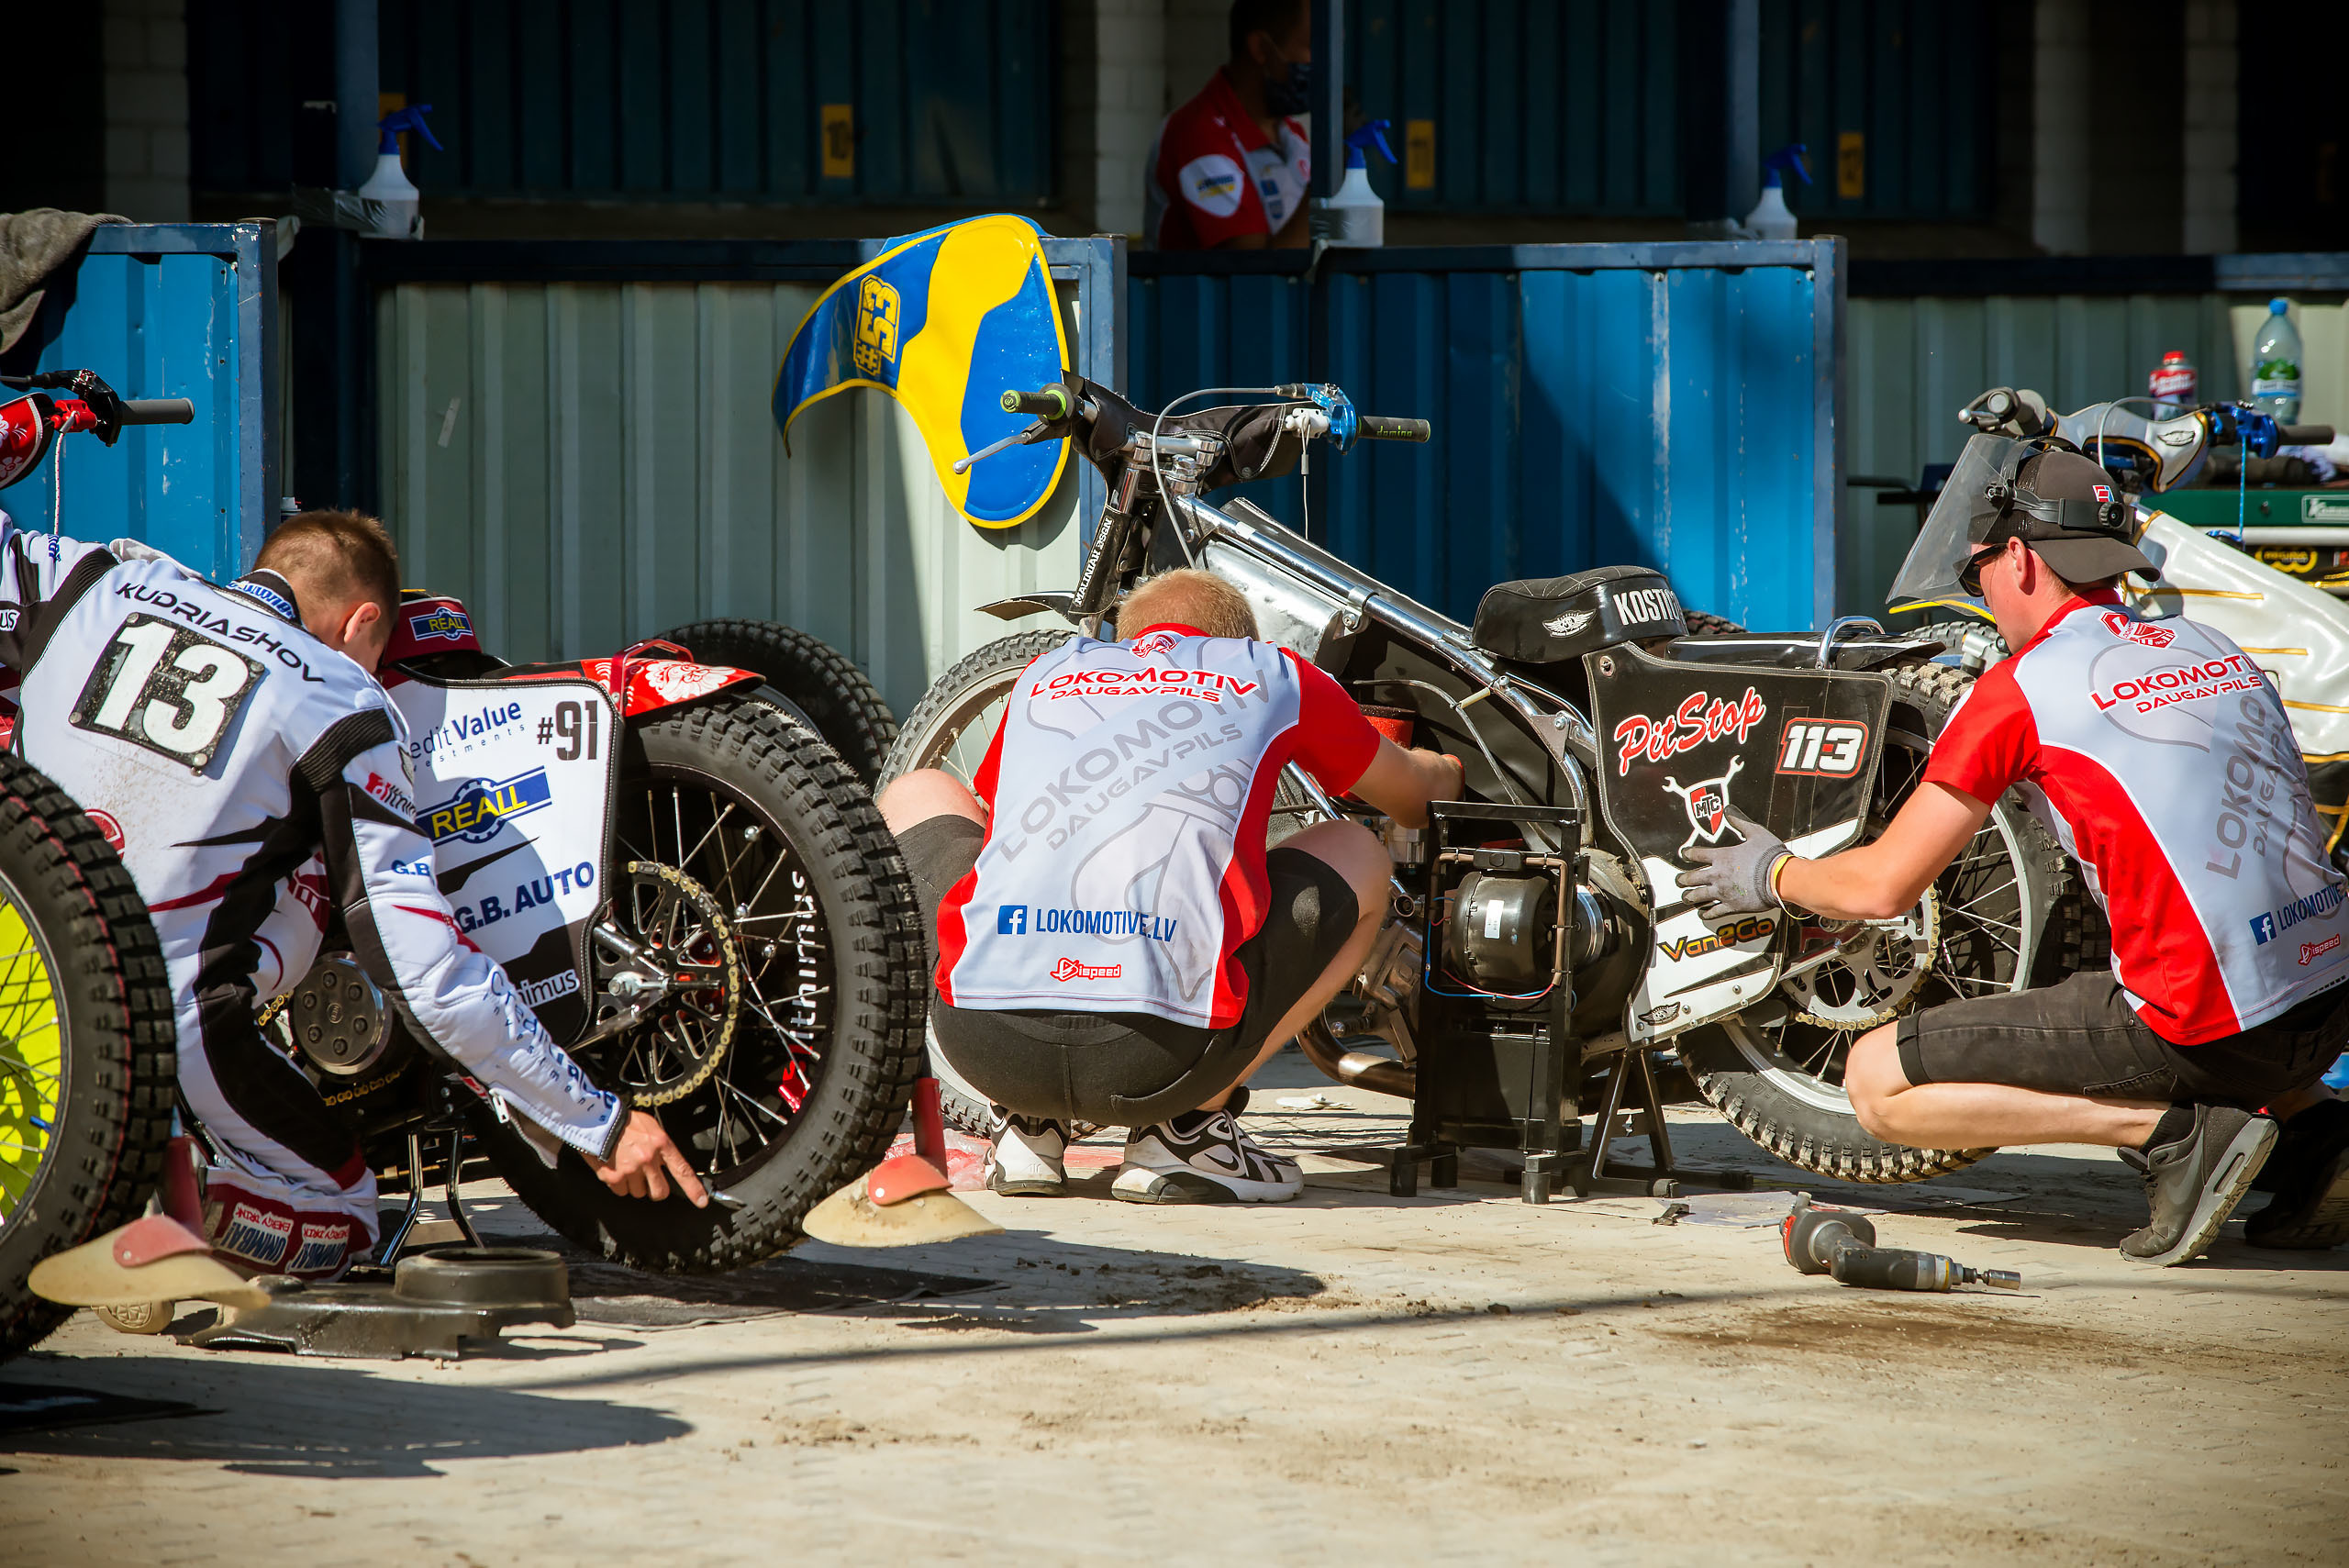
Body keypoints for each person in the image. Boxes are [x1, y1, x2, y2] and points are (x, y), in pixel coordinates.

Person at [1679, 448, 2349, 1265]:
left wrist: (1773, 874)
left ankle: (2176, 1135)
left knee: (1875, 1084)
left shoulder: (2022, 689)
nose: (1982, 597)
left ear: (2022, 558)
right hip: (2324, 1003)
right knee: (2214, 969)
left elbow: (1884, 886)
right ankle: (2322, 1134)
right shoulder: (2211, 644)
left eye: (1980, 573)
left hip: (2205, 1029)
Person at [0, 508, 704, 1279]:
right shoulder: (342, 696)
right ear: (363, 620)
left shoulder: (99, 577)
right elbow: (429, 974)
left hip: (19, 985)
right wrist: (599, 1121)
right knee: (348, 1207)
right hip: (151, 1030)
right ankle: (166, 1204)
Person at [878, 569, 1459, 1204]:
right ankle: (1185, 1130)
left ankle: (1028, 1125)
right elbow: (1410, 796)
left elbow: (998, 829)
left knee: (917, 792)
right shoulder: (1272, 671)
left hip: (988, 1046)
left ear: (1128, 636)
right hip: (1157, 1057)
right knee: (1359, 851)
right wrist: (1453, 770)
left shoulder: (1047, 673)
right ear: (1240, 637)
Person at [1147, 0, 1313, 250]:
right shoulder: (1198, 134)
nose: (1327, 63)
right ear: (1261, 49)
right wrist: (1326, 184)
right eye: (1313, 47)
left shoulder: (1291, 132)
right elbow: (1254, 276)